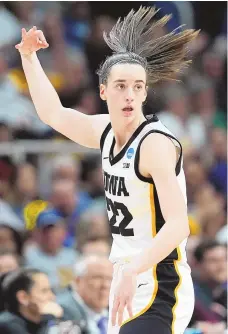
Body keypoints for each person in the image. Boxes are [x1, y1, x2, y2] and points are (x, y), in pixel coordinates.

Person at [16, 6, 199, 334]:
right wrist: (29, 57)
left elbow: (178, 225)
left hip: (160, 282)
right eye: (121, 86)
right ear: (103, 91)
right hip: (124, 275)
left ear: (145, 91)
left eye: (137, 86)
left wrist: (134, 270)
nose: (130, 94)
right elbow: (53, 114)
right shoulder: (103, 130)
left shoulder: (154, 144)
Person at [58, 255, 113, 334]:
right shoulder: (63, 312)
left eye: (110, 279)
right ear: (78, 281)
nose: (106, 285)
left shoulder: (117, 312)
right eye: (98, 277)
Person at [0, 268, 66, 334]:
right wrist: (51, 320)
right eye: (44, 291)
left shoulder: (48, 318)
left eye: (51, 290)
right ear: (23, 297)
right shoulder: (7, 324)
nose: (52, 297)